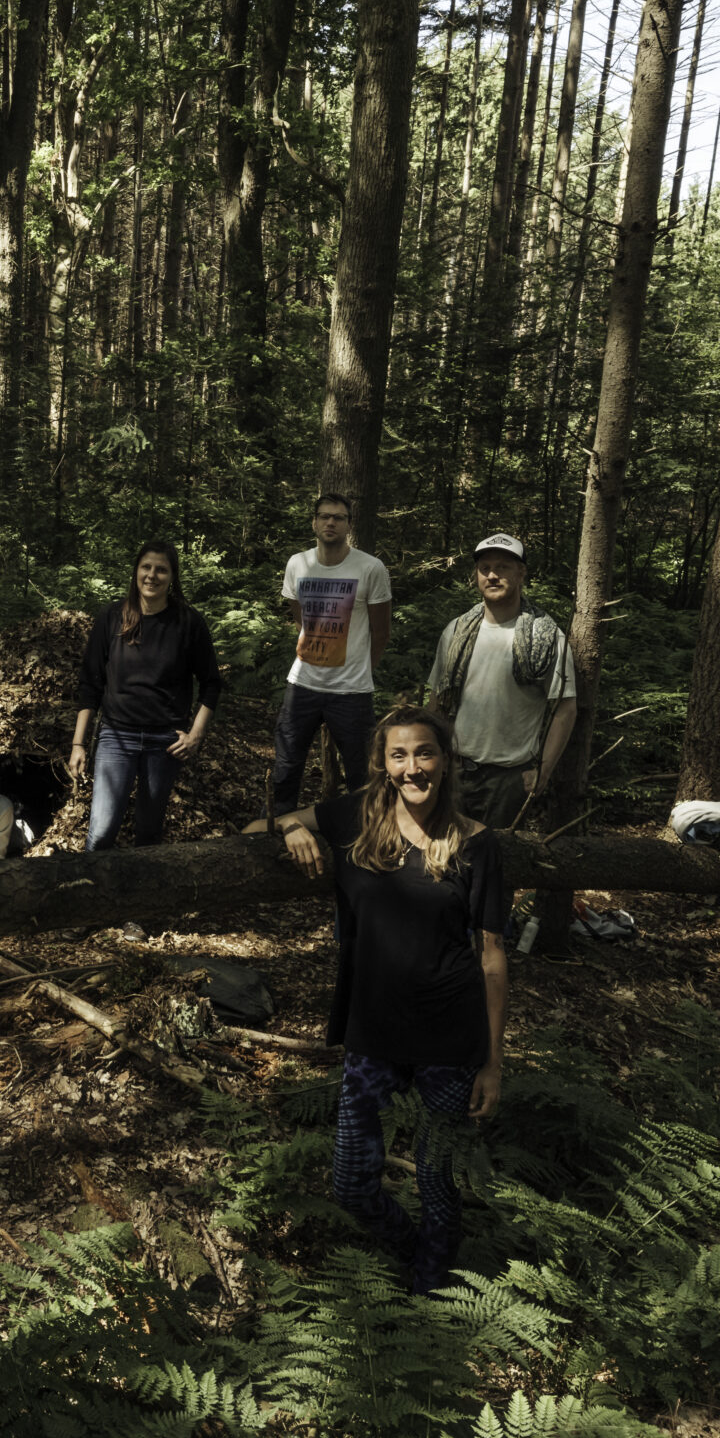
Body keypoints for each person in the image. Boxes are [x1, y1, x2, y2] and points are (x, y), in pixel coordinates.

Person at [264, 706, 509, 1296]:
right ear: (383, 763)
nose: (413, 767)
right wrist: (292, 827)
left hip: (450, 1037)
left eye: (425, 753)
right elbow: (263, 823)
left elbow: (493, 956)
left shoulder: (477, 844)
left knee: (438, 1181)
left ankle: (429, 1296)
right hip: (372, 1031)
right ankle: (412, 1254)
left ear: (445, 761)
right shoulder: (354, 818)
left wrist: (493, 1062)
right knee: (351, 1183)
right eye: (399, 755)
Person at [69, 540, 223, 851]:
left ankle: (141, 884)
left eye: (161, 570)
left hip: (165, 742)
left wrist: (195, 735)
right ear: (136, 571)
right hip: (116, 736)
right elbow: (90, 684)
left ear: (172, 576)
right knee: (101, 833)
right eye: (146, 567)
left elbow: (212, 683)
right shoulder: (112, 617)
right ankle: (92, 882)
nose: (152, 575)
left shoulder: (188, 622)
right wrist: (78, 744)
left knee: (149, 833)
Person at [423, 533, 575, 832]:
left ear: (521, 573)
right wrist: (431, 757)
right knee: (445, 849)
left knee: (498, 855)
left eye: (503, 567)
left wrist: (543, 771)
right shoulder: (456, 631)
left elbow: (565, 708)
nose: (492, 575)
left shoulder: (546, 637)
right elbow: (437, 701)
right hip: (454, 770)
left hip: (509, 779)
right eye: (485, 568)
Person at [271, 492, 393, 815]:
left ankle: (365, 835)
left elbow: (381, 631)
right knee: (286, 767)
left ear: (348, 525)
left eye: (338, 517)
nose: (330, 522)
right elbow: (299, 616)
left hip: (351, 691)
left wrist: (362, 670)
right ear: (314, 523)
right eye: (324, 516)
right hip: (302, 685)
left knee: (362, 775)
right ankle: (275, 830)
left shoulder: (370, 568)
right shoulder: (298, 564)